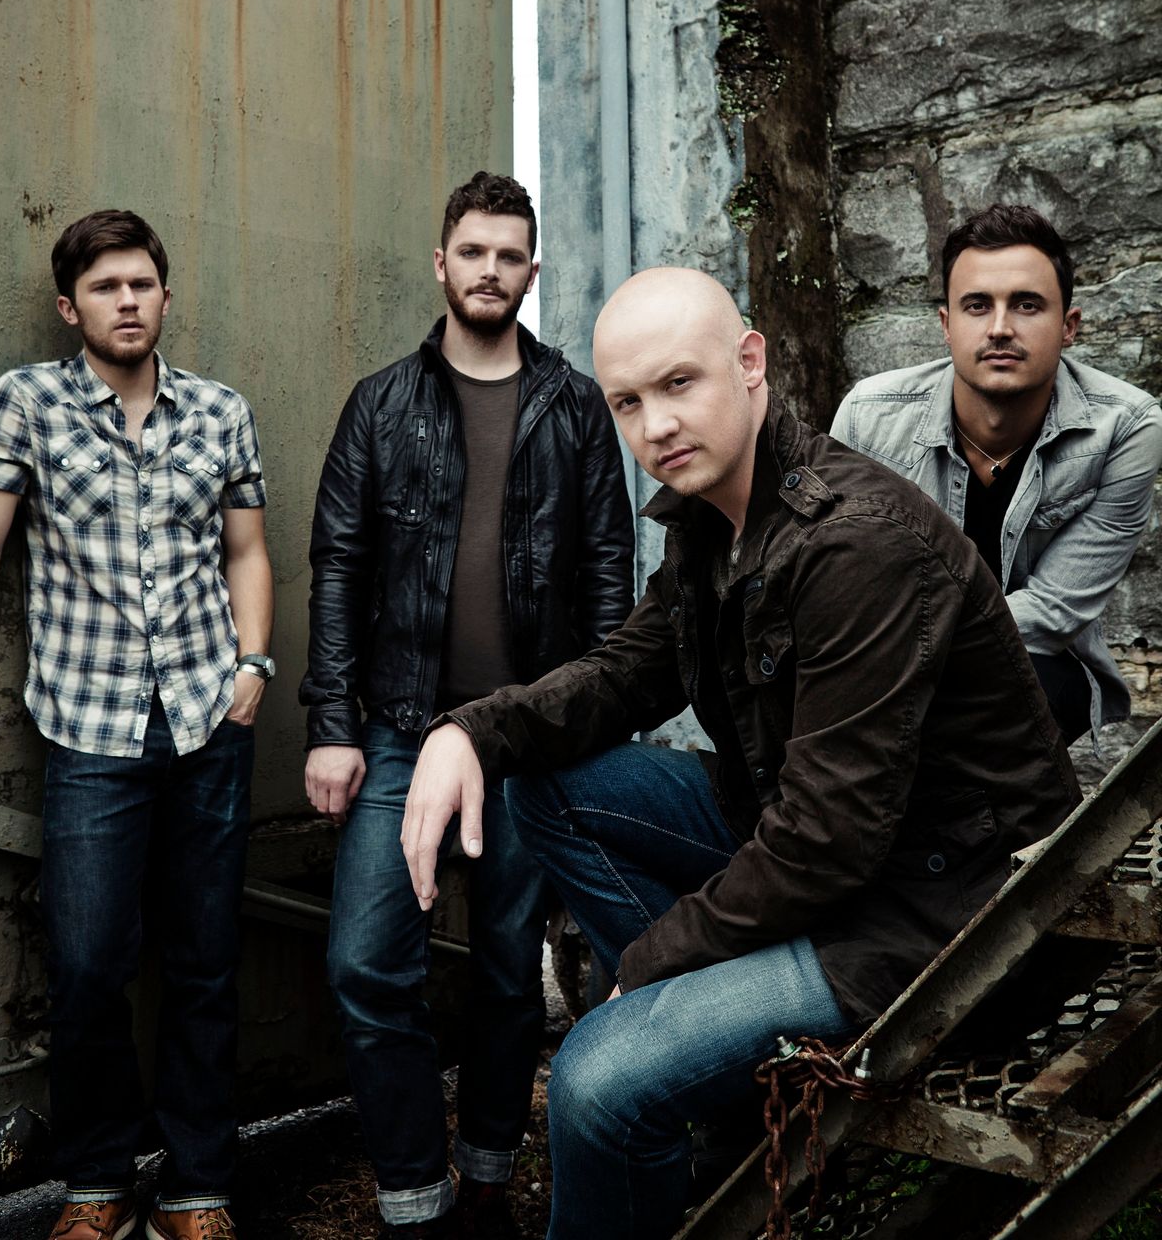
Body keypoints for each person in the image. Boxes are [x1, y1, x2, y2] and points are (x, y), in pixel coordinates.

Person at [400, 266, 1081, 1240]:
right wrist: (467, 732)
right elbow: (622, 677)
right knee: (545, 785)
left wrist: (648, 967)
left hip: (937, 923)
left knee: (595, 1076)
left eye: (680, 383)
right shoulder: (713, 521)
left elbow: (826, 841)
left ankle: (669, 1074)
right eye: (628, 403)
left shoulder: (855, 547)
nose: (656, 426)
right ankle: (710, 1093)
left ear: (750, 362)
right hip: (825, 851)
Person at [301, 171, 634, 1239]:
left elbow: (609, 577)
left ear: (532, 272)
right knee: (366, 963)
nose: (490, 271)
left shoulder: (575, 405)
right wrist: (332, 727)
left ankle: (488, 1179)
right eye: (473, 252)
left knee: (505, 971)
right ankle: (415, 1199)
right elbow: (339, 569)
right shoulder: (380, 403)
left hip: (529, 740)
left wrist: (590, 731)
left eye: (509, 256)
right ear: (441, 263)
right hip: (401, 729)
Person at [0, 210, 274, 1240]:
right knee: (90, 965)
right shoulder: (27, 404)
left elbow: (246, 551)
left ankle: (197, 1189)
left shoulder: (220, 412)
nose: (127, 301)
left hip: (207, 721)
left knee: (204, 963)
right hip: (90, 728)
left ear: (165, 297)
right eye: (105, 287)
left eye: (141, 284)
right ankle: (95, 1185)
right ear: (70, 307)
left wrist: (253, 668)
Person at [831, 204, 1162, 744]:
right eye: (977, 305)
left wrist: (916, 649)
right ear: (947, 326)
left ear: (1069, 326)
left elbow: (1056, 609)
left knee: (1019, 693)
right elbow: (842, 581)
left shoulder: (1126, 428)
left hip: (1036, 661)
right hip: (886, 662)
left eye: (1027, 305)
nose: (1000, 328)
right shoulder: (868, 419)